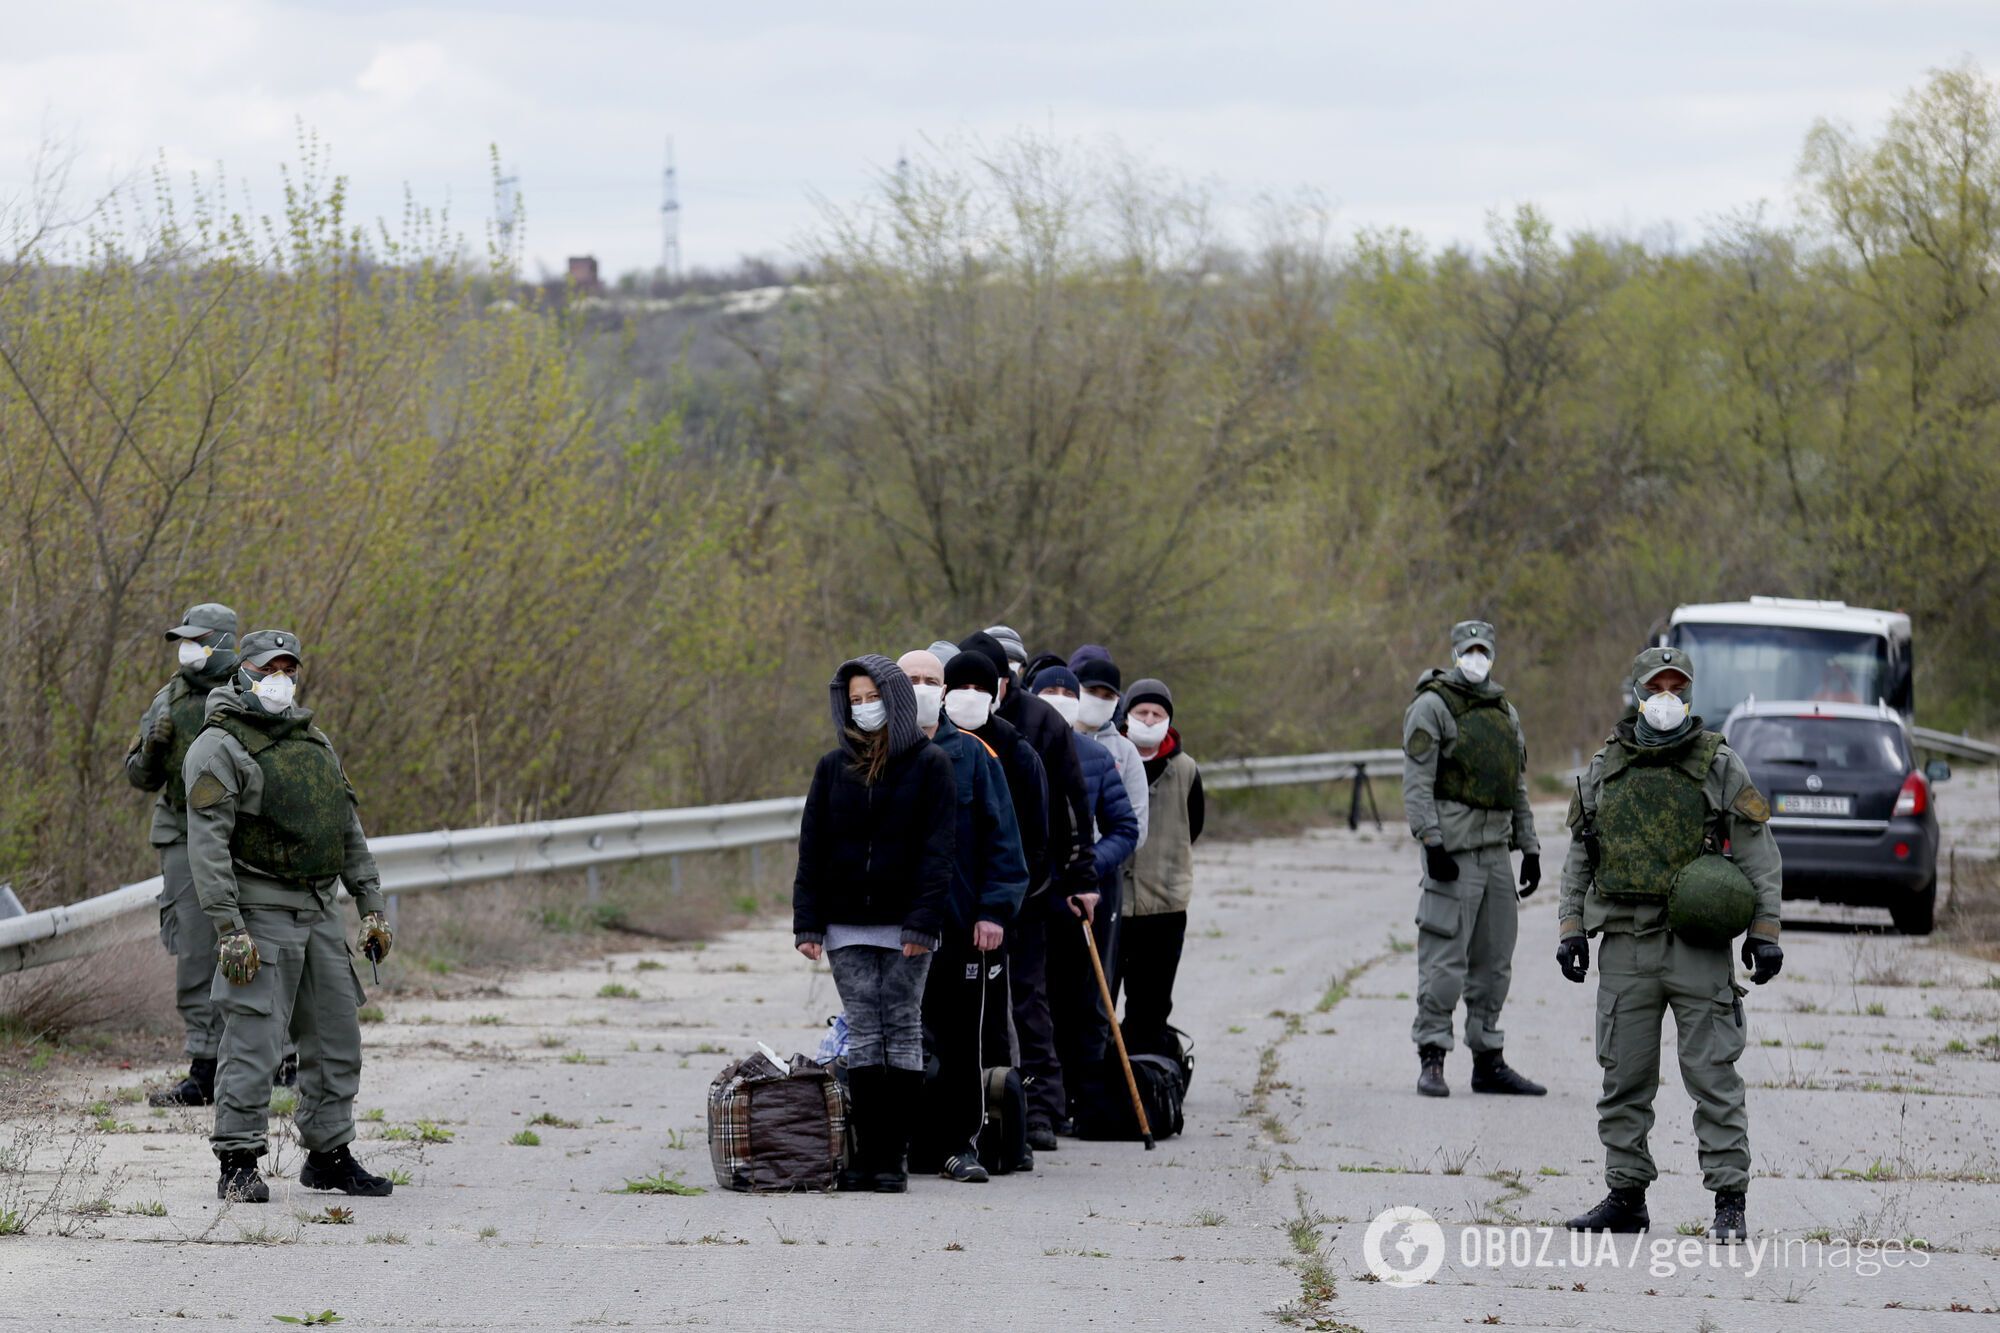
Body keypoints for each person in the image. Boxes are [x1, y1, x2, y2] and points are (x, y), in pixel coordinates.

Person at [1558, 646, 1783, 1243]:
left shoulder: (1718, 765)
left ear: (1689, 695)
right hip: (1626, 944)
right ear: (1635, 694)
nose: (1666, 698)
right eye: (1655, 687)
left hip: (1697, 946)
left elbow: (1759, 853)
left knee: (1713, 1075)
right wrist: (1570, 930)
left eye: (1676, 688)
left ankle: (1729, 1202)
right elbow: (1581, 856)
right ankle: (1626, 1195)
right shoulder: (1605, 768)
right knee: (1623, 1077)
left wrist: (1764, 932)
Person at [183, 630, 396, 1203]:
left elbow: (346, 828)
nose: (280, 679)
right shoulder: (217, 747)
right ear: (242, 672)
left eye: (289, 669)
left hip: (320, 909)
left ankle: (329, 1155)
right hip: (260, 914)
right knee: (253, 1041)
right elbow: (206, 847)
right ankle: (238, 1159)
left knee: (335, 1038)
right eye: (268, 667)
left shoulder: (313, 741)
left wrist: (371, 906)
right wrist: (230, 928)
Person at [792, 655, 955, 1193]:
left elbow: (938, 851)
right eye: (855, 700)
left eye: (873, 698)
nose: (864, 709)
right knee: (863, 1034)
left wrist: (922, 922)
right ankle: (864, 1155)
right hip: (847, 925)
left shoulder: (930, 765)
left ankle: (894, 1157)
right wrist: (808, 924)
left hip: (907, 924)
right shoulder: (830, 767)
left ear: (895, 700)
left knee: (902, 1029)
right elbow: (812, 847)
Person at [959, 631, 1095, 1153]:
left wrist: (1081, 877)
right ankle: (984, 1107)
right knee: (975, 1007)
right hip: (971, 894)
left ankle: (1041, 1107)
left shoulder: (1040, 722)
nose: (970, 692)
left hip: (1035, 887)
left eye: (982, 682)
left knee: (1030, 1000)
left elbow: (1073, 804)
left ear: (1005, 680)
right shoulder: (951, 727)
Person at [897, 649, 1029, 1182]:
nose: (923, 688)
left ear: (946, 689)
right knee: (896, 1039)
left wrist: (993, 910)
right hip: (894, 929)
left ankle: (959, 1144)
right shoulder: (878, 754)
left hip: (960, 928)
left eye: (932, 680)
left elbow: (1004, 841)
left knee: (959, 1041)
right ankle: (899, 1141)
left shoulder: (975, 755)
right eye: (912, 680)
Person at [1402, 620, 1546, 1099]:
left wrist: (1530, 847)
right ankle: (1432, 1057)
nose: (1477, 657)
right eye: (1470, 650)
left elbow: (1516, 786)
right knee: (1444, 960)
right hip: (1455, 853)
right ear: (1456, 652)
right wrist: (1432, 841)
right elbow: (1418, 782)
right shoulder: (1432, 706)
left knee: (1495, 962)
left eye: (1484, 649)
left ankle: (1488, 1060)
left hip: (1495, 853)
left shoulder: (1505, 711)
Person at [124, 602, 245, 1107]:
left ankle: (279, 1056)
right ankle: (205, 1066)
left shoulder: (251, 693)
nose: (187, 649)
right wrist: (152, 750)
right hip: (180, 831)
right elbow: (138, 776)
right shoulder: (167, 700)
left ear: (222, 642)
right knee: (195, 950)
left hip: (242, 836)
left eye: (197, 639)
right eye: (184, 640)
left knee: (263, 943)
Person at [1033, 664, 1140, 1131]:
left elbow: (1125, 827)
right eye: (1048, 691)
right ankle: (1041, 1102)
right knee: (1034, 1003)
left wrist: (1087, 867)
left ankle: (1082, 1098)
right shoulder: (1018, 752)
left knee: (1084, 1003)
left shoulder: (1094, 758)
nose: (1058, 697)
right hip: (1028, 902)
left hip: (1080, 902)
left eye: (1065, 691)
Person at [1116, 678, 1204, 1059]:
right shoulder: (1109, 757)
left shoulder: (1186, 769)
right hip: (1113, 905)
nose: (1149, 720)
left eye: (1158, 714)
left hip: (1164, 905)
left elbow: (1193, 826)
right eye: (1141, 712)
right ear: (1127, 716)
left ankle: (1148, 1079)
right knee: (1098, 1001)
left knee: (1151, 1003)